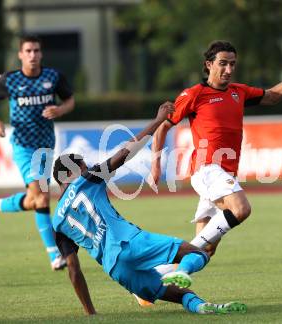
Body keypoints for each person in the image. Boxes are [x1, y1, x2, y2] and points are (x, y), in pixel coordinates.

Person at [51, 102, 246, 315]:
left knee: (172, 293)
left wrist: (90, 312)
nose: (87, 168)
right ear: (70, 174)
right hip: (129, 242)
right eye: (83, 166)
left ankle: (201, 307)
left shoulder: (57, 222)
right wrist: (157, 121)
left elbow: (73, 270)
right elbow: (125, 152)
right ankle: (181, 271)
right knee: (200, 253)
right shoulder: (85, 181)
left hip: (115, 269)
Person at [150, 40, 282, 257]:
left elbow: (273, 96)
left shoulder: (239, 91)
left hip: (224, 173)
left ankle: (162, 278)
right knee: (241, 209)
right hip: (207, 169)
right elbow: (162, 127)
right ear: (209, 64)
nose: (229, 70)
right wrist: (155, 167)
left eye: (232, 64)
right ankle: (179, 254)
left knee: (206, 250)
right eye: (223, 64)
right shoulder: (193, 94)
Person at [0, 34, 75, 270]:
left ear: (41, 54)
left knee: (36, 200)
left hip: (45, 146)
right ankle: (55, 255)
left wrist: (60, 110)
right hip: (23, 145)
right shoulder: (9, 80)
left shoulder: (53, 77)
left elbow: (70, 100)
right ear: (20, 54)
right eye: (28, 51)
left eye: (36, 51)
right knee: (42, 197)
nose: (32, 55)